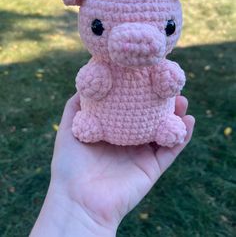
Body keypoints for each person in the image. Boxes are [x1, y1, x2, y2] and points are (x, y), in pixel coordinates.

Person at [30, 94, 195, 237]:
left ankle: (163, 126)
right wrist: (76, 204)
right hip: (101, 128)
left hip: (151, 127)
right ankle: (93, 125)